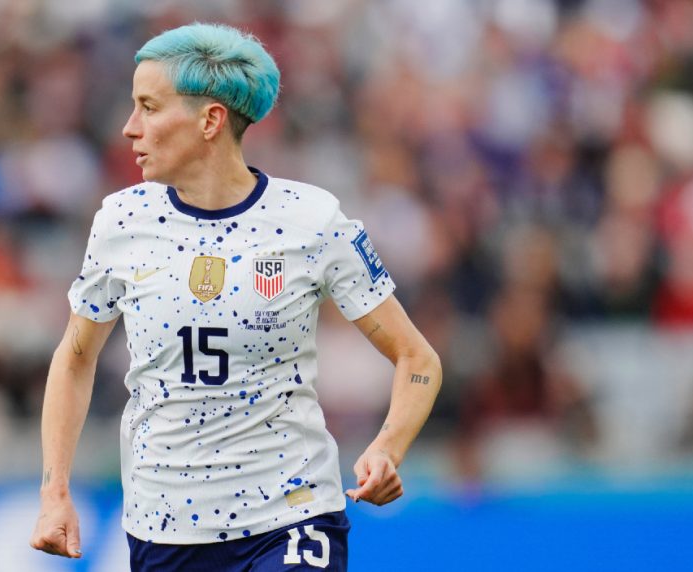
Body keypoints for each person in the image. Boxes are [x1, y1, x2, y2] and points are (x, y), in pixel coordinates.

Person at [30, 22, 441, 571]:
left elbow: (417, 358)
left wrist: (387, 448)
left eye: (149, 107)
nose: (130, 128)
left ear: (210, 120)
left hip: (292, 516)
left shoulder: (311, 221)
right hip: (164, 525)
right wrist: (55, 490)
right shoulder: (121, 221)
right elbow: (76, 357)